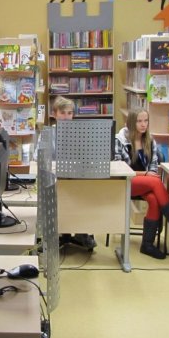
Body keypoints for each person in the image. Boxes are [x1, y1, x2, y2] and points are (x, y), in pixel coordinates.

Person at [115, 108, 169, 259]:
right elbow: (120, 169)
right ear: (131, 122)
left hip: (146, 183)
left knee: (153, 199)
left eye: (146, 121)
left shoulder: (150, 140)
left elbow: (153, 166)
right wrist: (144, 174)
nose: (143, 124)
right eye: (139, 121)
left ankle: (147, 244)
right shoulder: (119, 140)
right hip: (126, 182)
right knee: (156, 183)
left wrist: (148, 175)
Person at [52, 96, 97, 251]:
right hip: (56, 180)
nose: (66, 117)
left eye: (69, 113)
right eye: (62, 113)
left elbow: (89, 157)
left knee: (86, 192)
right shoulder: (49, 134)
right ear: (54, 114)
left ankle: (81, 231)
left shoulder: (81, 133)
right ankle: (65, 232)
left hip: (77, 179)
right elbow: (40, 158)